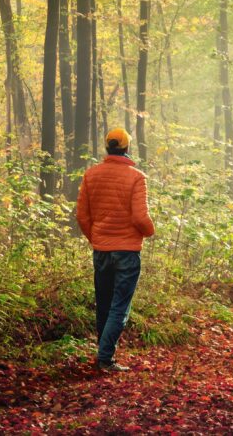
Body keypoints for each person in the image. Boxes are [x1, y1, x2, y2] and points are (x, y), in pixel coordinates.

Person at [74, 127, 155, 372]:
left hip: (101, 250)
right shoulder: (136, 176)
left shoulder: (91, 174)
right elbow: (141, 218)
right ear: (127, 148)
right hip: (127, 251)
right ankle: (105, 358)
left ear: (107, 147)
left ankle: (103, 354)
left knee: (105, 303)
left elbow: (82, 215)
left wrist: (96, 237)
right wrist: (150, 231)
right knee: (120, 305)